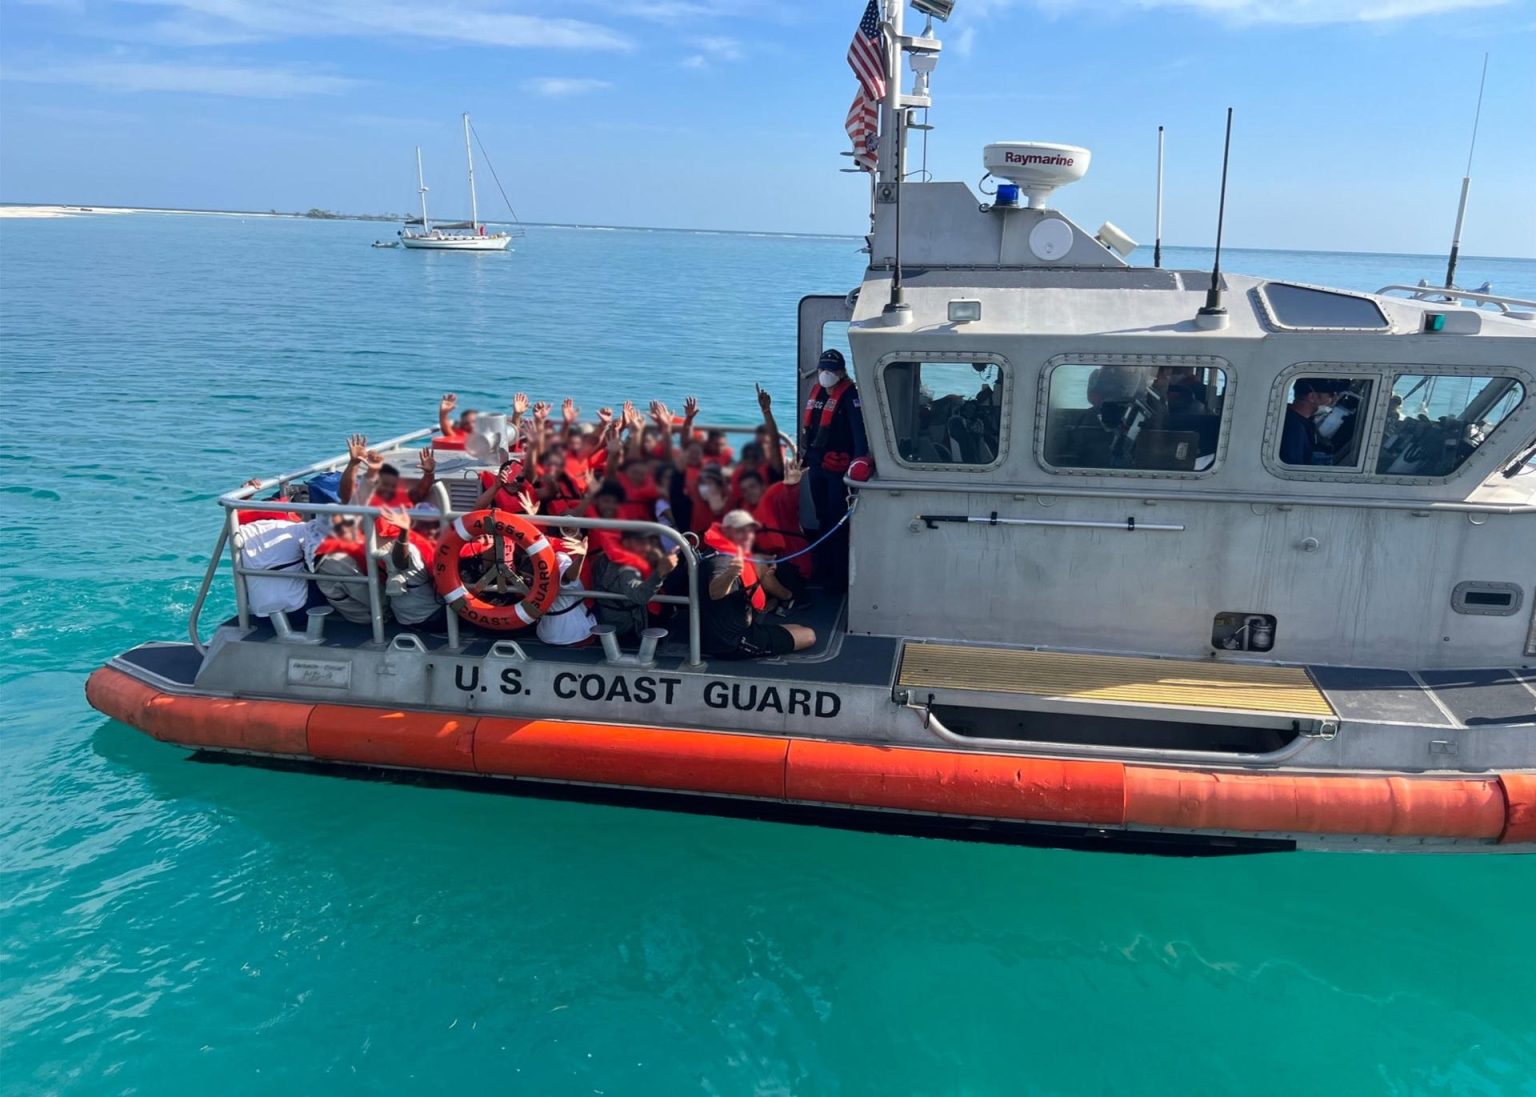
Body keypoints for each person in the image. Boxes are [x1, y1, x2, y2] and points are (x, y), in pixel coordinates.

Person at [699, 510, 815, 659]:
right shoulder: (723, 563)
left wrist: (762, 560)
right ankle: (789, 598)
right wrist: (731, 574)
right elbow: (715, 592)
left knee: (797, 628)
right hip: (731, 642)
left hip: (724, 630)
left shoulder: (716, 550)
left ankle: (787, 598)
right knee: (808, 635)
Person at [801, 350, 866, 593]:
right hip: (817, 466)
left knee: (836, 521)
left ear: (841, 372)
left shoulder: (850, 397)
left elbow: (859, 435)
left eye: (831, 370)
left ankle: (838, 576)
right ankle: (822, 567)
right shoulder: (817, 393)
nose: (826, 374)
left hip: (839, 471)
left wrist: (859, 466)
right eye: (822, 369)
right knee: (821, 517)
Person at [590, 529, 678, 641]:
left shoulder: (605, 556)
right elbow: (640, 596)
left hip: (607, 615)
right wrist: (660, 573)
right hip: (626, 627)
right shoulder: (627, 569)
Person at [537, 534, 597, 646]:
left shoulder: (527, 560)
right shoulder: (560, 556)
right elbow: (568, 578)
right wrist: (580, 557)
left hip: (545, 632)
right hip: (574, 634)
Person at [1279, 379, 1335, 465]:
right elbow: (1294, 466)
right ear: (1312, 397)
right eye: (1330, 395)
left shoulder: (1304, 422)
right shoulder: (1294, 428)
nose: (1334, 399)